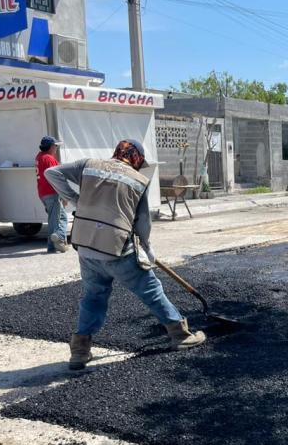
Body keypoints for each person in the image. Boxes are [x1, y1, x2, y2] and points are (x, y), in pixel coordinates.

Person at [45, 139, 205, 370]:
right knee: (150, 289)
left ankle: (80, 351)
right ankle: (180, 335)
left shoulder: (88, 165)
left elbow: (52, 173)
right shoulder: (139, 180)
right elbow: (142, 222)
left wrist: (76, 200)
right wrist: (147, 246)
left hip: (87, 248)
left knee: (93, 297)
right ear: (137, 158)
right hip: (117, 250)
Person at [35, 136, 69, 253]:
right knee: (56, 220)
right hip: (52, 193)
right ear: (50, 146)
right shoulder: (49, 159)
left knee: (60, 217)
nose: (56, 148)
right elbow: (55, 179)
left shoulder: (39, 157)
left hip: (43, 192)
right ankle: (57, 239)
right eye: (55, 146)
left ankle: (55, 244)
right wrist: (64, 195)